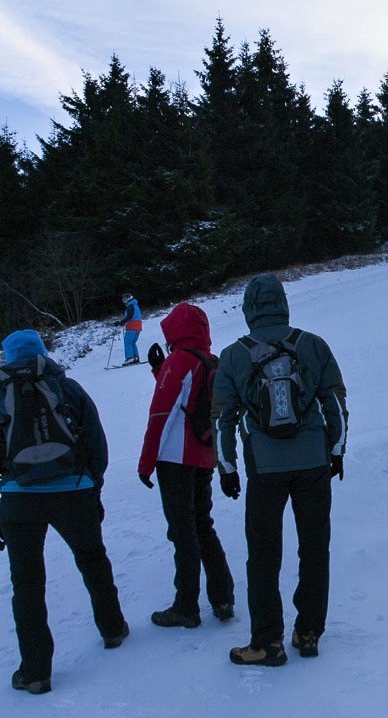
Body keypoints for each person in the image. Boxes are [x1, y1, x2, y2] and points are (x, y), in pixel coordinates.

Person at [0, 329, 128, 695]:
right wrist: (93, 487)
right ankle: (113, 629)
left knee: (27, 584)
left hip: (18, 498)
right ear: (43, 353)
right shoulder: (68, 389)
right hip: (73, 492)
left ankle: (36, 671)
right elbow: (96, 443)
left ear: (9, 358)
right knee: (92, 558)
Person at [213, 274, 347, 667]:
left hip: (264, 469)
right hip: (313, 464)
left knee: (264, 555)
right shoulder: (313, 345)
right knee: (314, 550)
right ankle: (308, 633)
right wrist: (335, 450)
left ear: (248, 309)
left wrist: (227, 468)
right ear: (284, 303)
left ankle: (267, 643)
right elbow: (334, 404)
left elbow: (223, 418)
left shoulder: (235, 355)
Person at [137, 303, 236, 629]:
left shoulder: (179, 360)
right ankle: (223, 598)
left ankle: (186, 606)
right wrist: (158, 370)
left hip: (175, 459)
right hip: (203, 457)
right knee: (202, 526)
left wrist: (146, 463)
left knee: (183, 532)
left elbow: (162, 414)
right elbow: (189, 399)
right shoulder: (210, 360)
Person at [118, 293, 143, 366]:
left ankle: (130, 358)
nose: (124, 301)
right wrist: (121, 322)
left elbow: (129, 317)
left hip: (132, 327)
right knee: (132, 342)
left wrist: (121, 323)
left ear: (128, 299)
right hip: (137, 327)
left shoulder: (131, 306)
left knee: (128, 342)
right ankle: (135, 357)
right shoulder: (135, 305)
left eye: (125, 299)